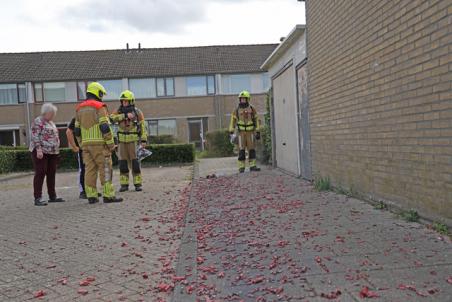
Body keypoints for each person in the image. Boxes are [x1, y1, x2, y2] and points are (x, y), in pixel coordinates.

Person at [74, 82, 123, 204]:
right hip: (100, 144)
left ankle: (91, 196)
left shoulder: (79, 108)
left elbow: (77, 130)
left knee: (90, 170)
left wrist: (81, 144)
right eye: (101, 94)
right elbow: (105, 127)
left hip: (86, 145)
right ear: (97, 92)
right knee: (105, 168)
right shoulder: (99, 106)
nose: (102, 96)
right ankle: (108, 195)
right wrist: (111, 145)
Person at [110, 90, 148, 192]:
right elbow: (111, 119)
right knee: (122, 163)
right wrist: (125, 116)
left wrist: (143, 140)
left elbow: (143, 126)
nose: (124, 103)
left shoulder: (137, 112)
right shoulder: (118, 111)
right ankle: (124, 185)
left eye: (126, 101)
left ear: (131, 101)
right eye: (122, 101)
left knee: (135, 163)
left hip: (133, 141)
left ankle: (137, 184)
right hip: (121, 142)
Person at [30, 103, 65, 206]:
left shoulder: (51, 122)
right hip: (41, 152)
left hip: (52, 152)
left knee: (51, 173)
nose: (53, 115)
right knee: (40, 172)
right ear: (46, 112)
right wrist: (39, 149)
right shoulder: (38, 121)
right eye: (52, 113)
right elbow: (35, 136)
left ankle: (52, 196)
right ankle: (38, 198)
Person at [229, 90, 261, 173]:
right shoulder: (236, 110)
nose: (242, 100)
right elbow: (232, 121)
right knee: (241, 150)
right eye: (241, 99)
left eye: (244, 99)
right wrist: (231, 131)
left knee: (252, 150)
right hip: (241, 133)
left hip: (250, 133)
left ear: (247, 99)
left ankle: (253, 166)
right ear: (239, 100)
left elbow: (256, 120)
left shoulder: (252, 109)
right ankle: (241, 167)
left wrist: (258, 131)